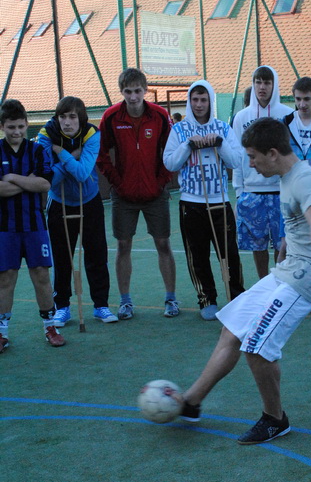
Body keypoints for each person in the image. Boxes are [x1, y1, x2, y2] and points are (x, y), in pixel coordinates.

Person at [177, 117, 311, 443]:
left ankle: (275, 418)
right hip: (288, 270)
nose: (251, 164)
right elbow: (300, 222)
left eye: (253, 157)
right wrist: (285, 243)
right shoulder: (287, 176)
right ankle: (191, 401)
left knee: (257, 346)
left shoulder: (307, 181)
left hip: (305, 278)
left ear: (272, 153)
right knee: (232, 329)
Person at [97, 67, 179, 321]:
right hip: (124, 196)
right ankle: (125, 302)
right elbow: (101, 155)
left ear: (145, 91)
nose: (133, 97)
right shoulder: (111, 117)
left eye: (137, 91)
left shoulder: (160, 115)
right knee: (123, 246)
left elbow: (171, 151)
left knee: (163, 243)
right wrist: (117, 183)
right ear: (121, 92)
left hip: (155, 194)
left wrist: (161, 182)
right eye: (128, 91)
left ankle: (171, 299)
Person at [163, 79, 245, 320]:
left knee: (229, 253)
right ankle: (207, 298)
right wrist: (188, 145)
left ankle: (236, 297)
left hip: (219, 201)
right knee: (197, 255)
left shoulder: (223, 128)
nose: (199, 104)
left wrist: (219, 143)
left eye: (203, 100)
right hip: (191, 203)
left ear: (210, 101)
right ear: (189, 101)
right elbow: (170, 163)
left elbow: (236, 161)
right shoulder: (179, 130)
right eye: (195, 100)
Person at [37, 96, 117, 326]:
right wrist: (72, 156)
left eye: (72, 117)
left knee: (96, 255)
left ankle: (101, 305)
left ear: (80, 118)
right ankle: (62, 307)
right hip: (59, 201)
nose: (67, 122)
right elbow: (49, 180)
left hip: (89, 199)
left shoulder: (91, 133)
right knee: (62, 258)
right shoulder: (46, 135)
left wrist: (61, 154)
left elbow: (83, 174)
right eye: (62, 116)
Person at [0, 99, 65, 350]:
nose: (16, 132)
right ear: (2, 126)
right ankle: (2, 332)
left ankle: (50, 327)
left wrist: (12, 178)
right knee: (6, 278)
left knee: (41, 275)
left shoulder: (37, 150)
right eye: (11, 127)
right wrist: (27, 182)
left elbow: (45, 184)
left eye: (20, 126)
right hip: (5, 228)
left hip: (35, 226)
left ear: (27, 124)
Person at [232, 65, 293, 278]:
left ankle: (279, 282)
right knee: (257, 245)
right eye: (258, 82)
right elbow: (238, 156)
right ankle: (262, 282)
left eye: (267, 82)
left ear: (274, 85)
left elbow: (290, 152)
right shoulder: (242, 117)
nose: (262, 87)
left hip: (280, 190)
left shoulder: (287, 114)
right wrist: (239, 191)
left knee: (282, 244)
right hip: (252, 192)